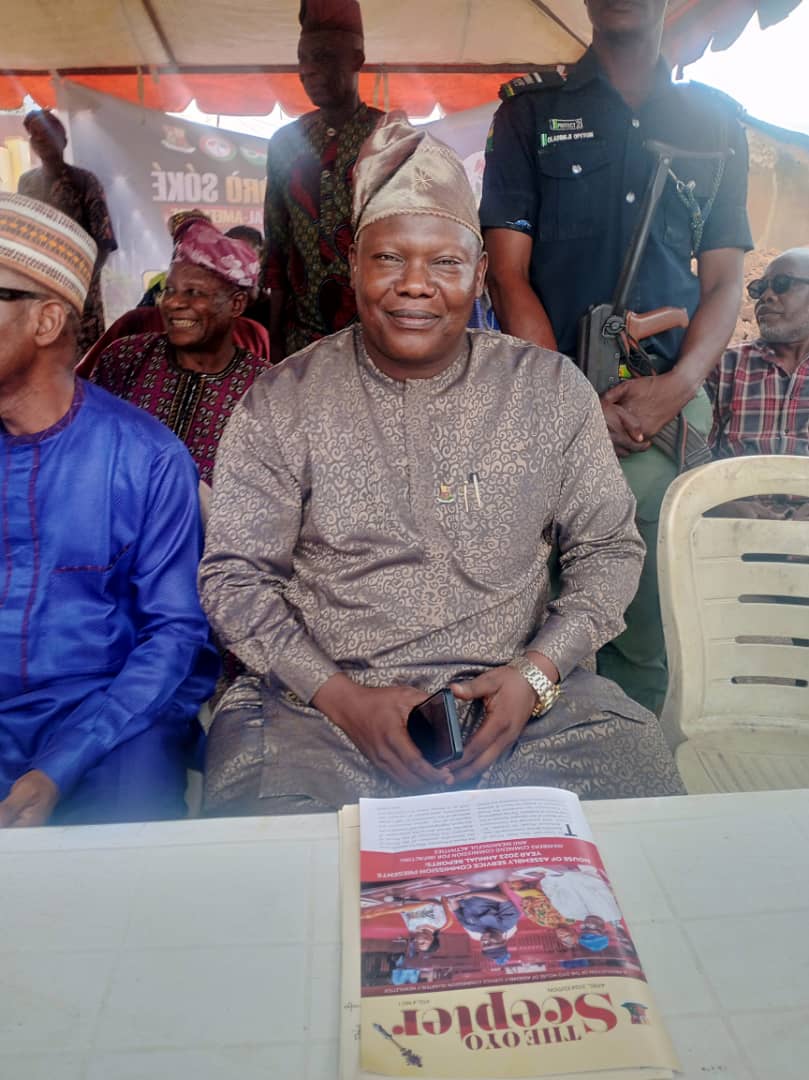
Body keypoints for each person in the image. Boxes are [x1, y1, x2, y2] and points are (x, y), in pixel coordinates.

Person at [198, 114, 684, 817]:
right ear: (354, 266)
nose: (415, 285)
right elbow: (235, 576)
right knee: (269, 846)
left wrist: (537, 674)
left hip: (526, 712)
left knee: (642, 810)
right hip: (321, 717)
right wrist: (341, 699)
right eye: (389, 259)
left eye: (446, 263)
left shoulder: (548, 389)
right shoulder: (284, 399)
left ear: (480, 275)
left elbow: (607, 549)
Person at [479, 0, 753, 716]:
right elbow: (506, 273)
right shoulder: (530, 111)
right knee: (534, 619)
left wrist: (680, 382)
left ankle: (637, 767)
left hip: (660, 417)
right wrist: (571, 402)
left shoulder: (716, 123)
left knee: (649, 633)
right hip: (544, 404)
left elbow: (723, 282)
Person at [0, 193, 218, 827]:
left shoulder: (147, 457)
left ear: (46, 321)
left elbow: (174, 634)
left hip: (110, 718)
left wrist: (60, 764)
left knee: (127, 839)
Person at [89, 218, 271, 485]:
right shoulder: (125, 359)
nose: (172, 303)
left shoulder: (263, 389)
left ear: (236, 304)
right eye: (169, 290)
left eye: (193, 292)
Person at [263, 0, 384, 361]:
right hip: (302, 339)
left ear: (357, 60)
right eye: (302, 59)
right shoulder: (285, 143)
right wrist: (275, 340)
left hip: (377, 334)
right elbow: (276, 245)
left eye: (324, 57)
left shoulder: (388, 135)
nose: (308, 70)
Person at [18, 109, 118, 355]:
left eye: (46, 133)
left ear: (62, 140)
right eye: (34, 135)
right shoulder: (27, 183)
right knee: (44, 358)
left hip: (81, 295)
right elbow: (24, 237)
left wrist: (79, 284)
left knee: (84, 361)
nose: (40, 139)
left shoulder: (84, 181)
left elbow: (103, 241)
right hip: (41, 290)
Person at [708, 247, 809, 460]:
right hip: (734, 482)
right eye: (759, 289)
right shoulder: (723, 365)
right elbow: (696, 456)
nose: (766, 296)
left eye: (782, 284)